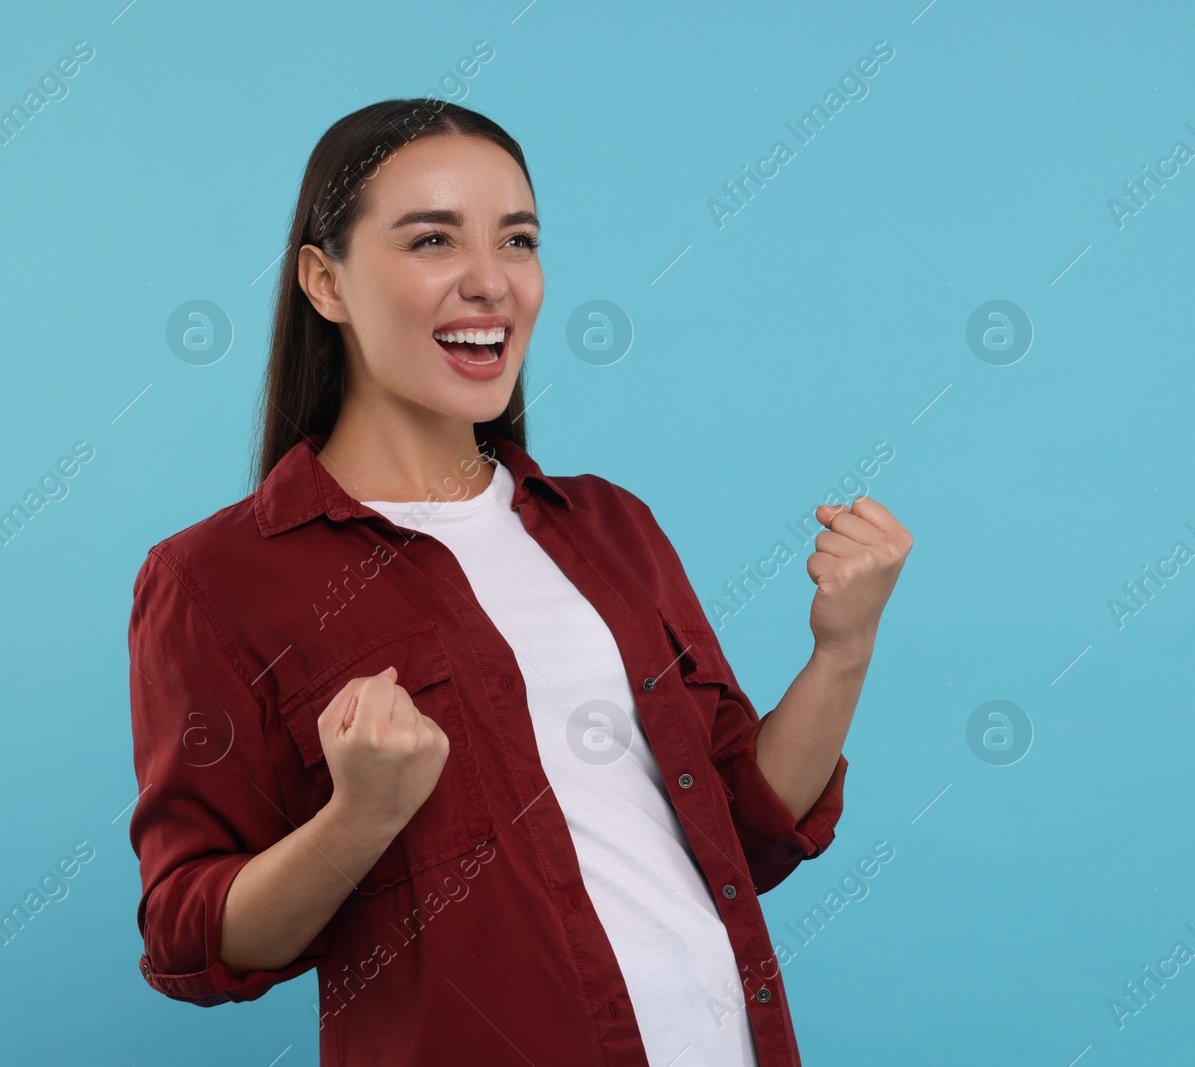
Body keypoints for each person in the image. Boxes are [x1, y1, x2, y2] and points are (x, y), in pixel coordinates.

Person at [125, 98, 912, 1067]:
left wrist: (844, 648)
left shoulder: (609, 524)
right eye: (430, 240)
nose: (490, 282)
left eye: (518, 240)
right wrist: (358, 816)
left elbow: (746, 835)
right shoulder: (217, 578)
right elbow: (188, 934)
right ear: (324, 280)